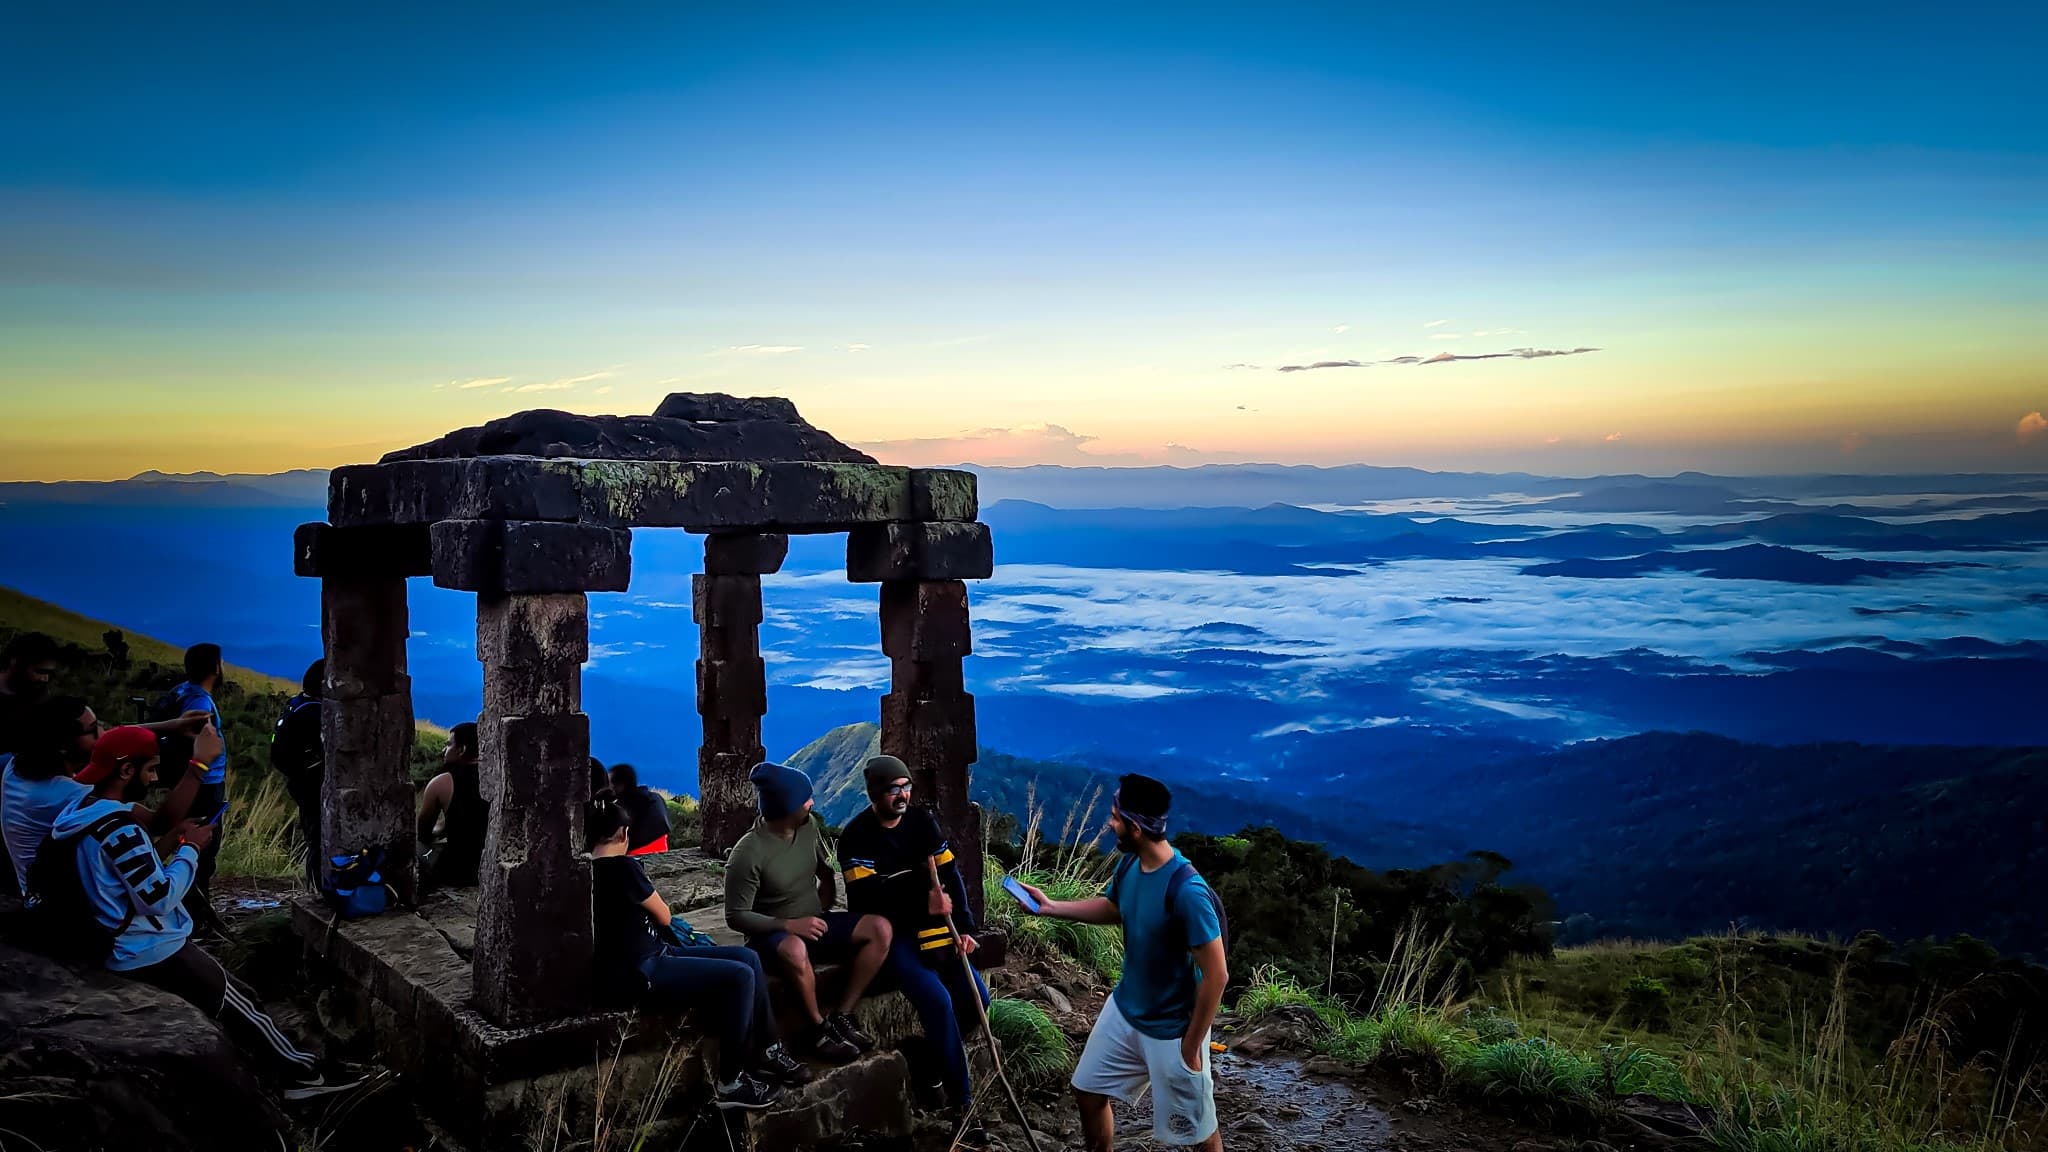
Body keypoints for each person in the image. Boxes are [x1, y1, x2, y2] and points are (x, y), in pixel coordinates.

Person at [50, 726, 360, 1100]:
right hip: (147, 947)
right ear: (125, 771)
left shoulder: (79, 811)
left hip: (119, 938)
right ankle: (302, 1077)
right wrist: (190, 850)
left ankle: (280, 1068)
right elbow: (158, 896)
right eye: (149, 770)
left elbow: (125, 878)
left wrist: (173, 840)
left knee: (240, 995)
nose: (154, 779)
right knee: (241, 1006)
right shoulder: (119, 830)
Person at [1017, 774, 1228, 1152]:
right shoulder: (1131, 865)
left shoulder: (1188, 892)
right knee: (1087, 1092)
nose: (1109, 823)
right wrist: (1051, 907)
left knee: (1197, 1130)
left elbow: (1217, 974)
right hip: (1125, 1009)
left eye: (1115, 817)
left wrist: (1192, 1045)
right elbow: (1116, 908)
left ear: (1134, 827)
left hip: (1172, 1029)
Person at [588, 794, 808, 1109]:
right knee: (740, 974)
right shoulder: (623, 868)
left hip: (647, 955)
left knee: (748, 957)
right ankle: (731, 1082)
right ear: (623, 834)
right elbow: (663, 915)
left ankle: (769, 1049)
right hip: (644, 969)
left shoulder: (585, 870)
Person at [839, 754, 991, 1133]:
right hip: (897, 938)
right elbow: (865, 898)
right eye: (894, 789)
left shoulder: (922, 822)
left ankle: (927, 1064)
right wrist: (920, 896)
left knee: (978, 1000)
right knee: (938, 1001)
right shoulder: (855, 837)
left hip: (938, 931)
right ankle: (962, 1105)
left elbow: (950, 874)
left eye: (907, 787)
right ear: (876, 793)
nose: (903, 795)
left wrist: (966, 925)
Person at [724, 760, 892, 1064]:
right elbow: (736, 916)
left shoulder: (808, 827)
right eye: (805, 799)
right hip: (772, 935)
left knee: (880, 929)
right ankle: (818, 1029)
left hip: (815, 922)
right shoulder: (747, 854)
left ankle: (843, 1015)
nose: (812, 802)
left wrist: (825, 898)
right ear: (786, 808)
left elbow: (822, 870)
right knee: (794, 948)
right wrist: (789, 924)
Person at [4, 696, 212, 896]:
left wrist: (173, 725)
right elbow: (160, 822)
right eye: (93, 730)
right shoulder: (73, 796)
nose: (103, 732)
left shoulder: (18, 767)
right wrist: (199, 765)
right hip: (70, 899)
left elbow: (106, 743)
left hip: (50, 884)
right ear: (63, 746)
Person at [166, 642, 230, 929]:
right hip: (204, 783)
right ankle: (197, 914)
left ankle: (194, 907)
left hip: (192, 783)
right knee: (203, 846)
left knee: (196, 845)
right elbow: (196, 741)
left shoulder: (181, 691)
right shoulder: (200, 703)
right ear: (215, 668)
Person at [271, 659, 325, 888]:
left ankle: (315, 886)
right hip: (314, 785)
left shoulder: (297, 704)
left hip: (299, 782)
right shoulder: (317, 714)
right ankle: (321, 888)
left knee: (314, 835)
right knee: (321, 838)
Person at [416, 722, 486, 888]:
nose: (444, 750)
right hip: (488, 866)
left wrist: (441, 830)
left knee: (416, 847)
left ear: (461, 750)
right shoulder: (498, 777)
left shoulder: (441, 782)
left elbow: (423, 833)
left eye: (448, 745)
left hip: (456, 872)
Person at [0, 632, 61, 758]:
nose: (45, 679)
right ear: (15, 662)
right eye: (40, 671)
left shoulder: (39, 698)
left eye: (49, 673)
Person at [609, 763, 672, 856]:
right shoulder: (654, 798)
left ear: (620, 785)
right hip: (662, 852)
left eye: (609, 782)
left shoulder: (623, 807)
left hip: (635, 857)